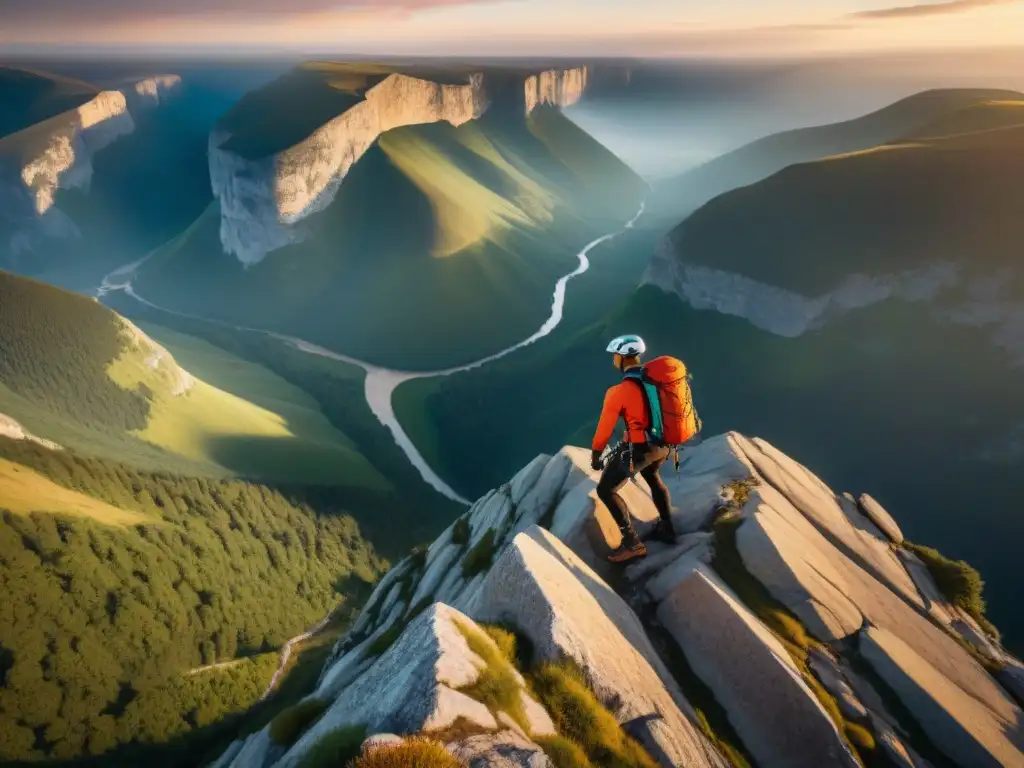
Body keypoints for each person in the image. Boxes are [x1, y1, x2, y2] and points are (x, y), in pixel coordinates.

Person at [591, 334, 678, 564]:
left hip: (641, 448)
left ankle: (632, 544)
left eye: (614, 357)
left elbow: (604, 429)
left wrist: (596, 455)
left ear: (621, 358)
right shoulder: (657, 382)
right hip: (665, 444)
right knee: (652, 474)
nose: (613, 361)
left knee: (605, 490)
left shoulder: (618, 392)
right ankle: (668, 528)